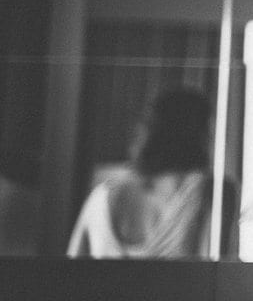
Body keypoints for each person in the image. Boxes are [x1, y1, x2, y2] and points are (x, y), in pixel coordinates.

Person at [67, 86, 225, 259]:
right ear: (200, 134)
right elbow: (224, 276)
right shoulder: (214, 193)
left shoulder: (100, 197)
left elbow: (69, 275)